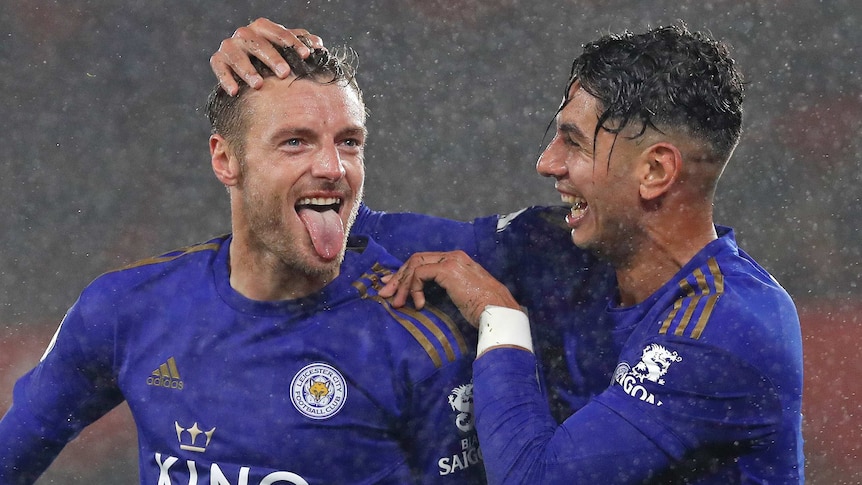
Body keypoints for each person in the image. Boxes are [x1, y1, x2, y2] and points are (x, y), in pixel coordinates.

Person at [212, 20, 804, 483]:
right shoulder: (556, 250)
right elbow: (350, 224)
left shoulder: (733, 327)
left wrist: (501, 320)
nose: (547, 163)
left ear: (654, 171)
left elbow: (535, 477)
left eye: (572, 140)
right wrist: (271, 98)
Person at [0, 37, 486, 484]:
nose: (332, 167)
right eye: (295, 141)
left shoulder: (415, 339)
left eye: (349, 142)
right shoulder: (127, 307)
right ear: (226, 160)